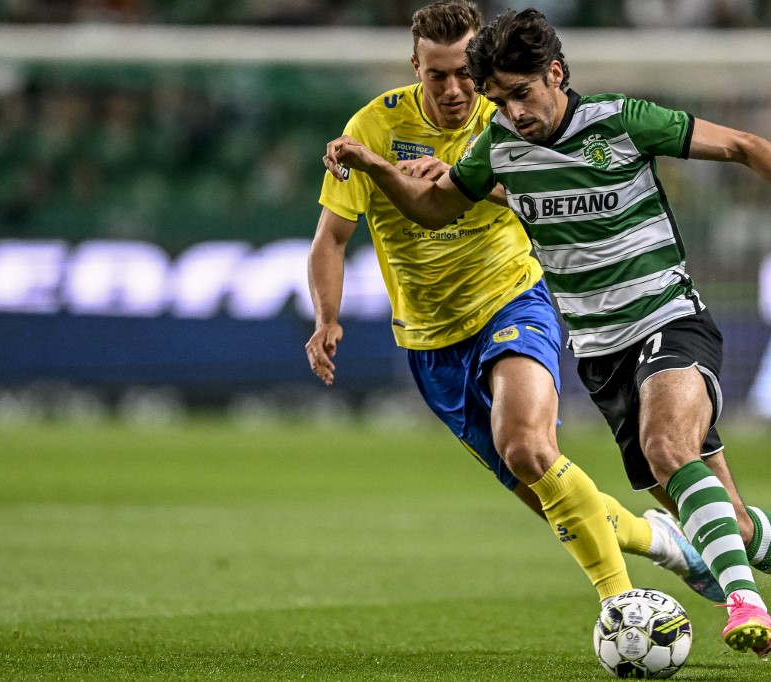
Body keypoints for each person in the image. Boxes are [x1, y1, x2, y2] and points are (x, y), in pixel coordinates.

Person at [321, 7, 771, 664]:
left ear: (555, 73)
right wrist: (377, 166)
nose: (513, 112)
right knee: (726, 524)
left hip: (668, 318)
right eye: (499, 100)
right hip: (600, 354)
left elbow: (741, 145)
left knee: (666, 444)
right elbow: (432, 206)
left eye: (522, 93)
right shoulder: (498, 147)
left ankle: (745, 604)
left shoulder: (621, 120)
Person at [305, 0, 723, 612]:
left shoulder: (508, 113)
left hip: (513, 300)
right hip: (429, 339)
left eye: (464, 74)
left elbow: (566, 182)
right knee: (544, 488)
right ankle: (664, 543)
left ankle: (621, 607)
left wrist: (466, 180)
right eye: (437, 75)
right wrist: (326, 317)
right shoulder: (372, 128)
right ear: (416, 67)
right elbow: (331, 238)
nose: (455, 90)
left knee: (527, 446)